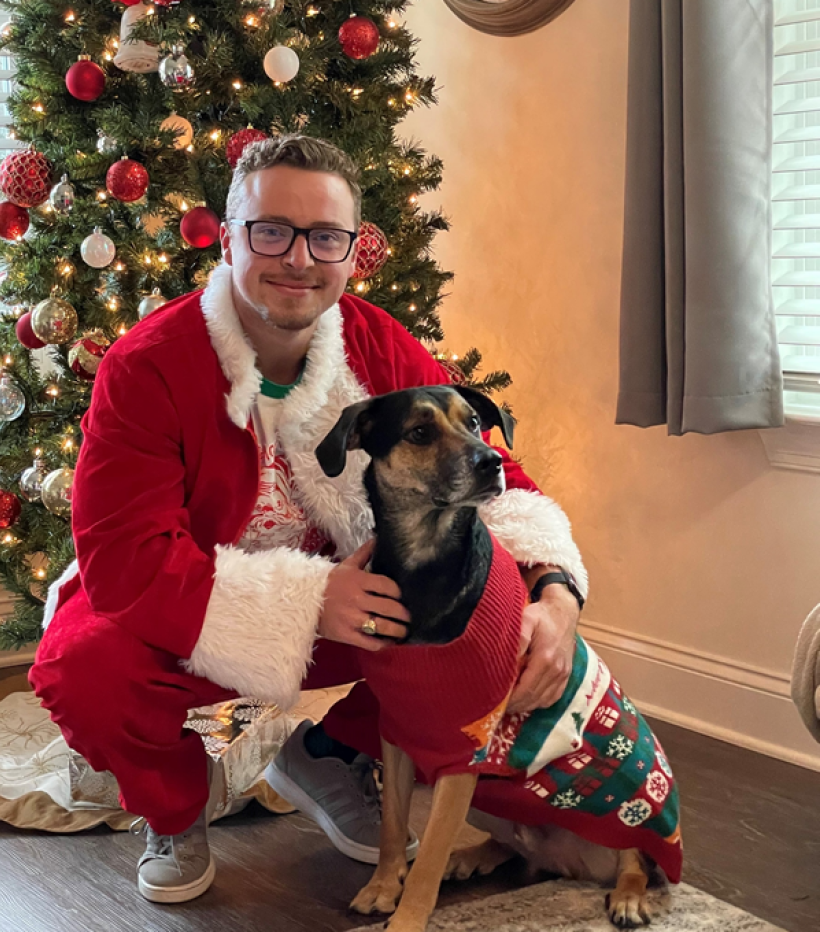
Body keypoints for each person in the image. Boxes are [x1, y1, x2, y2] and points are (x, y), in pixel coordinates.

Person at [29, 134, 588, 905]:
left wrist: (556, 590)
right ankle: (174, 810)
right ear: (227, 238)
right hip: (183, 600)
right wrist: (311, 600)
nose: (299, 258)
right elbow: (125, 557)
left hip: (361, 608)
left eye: (326, 236)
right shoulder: (147, 365)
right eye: (271, 231)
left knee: (491, 624)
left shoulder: (375, 340)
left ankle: (329, 751)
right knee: (84, 668)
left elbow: (499, 483)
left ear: (353, 251)